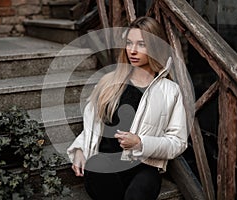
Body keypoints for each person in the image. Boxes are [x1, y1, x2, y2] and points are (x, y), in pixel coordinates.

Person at [67, 16, 188, 200]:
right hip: (105, 164)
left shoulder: (170, 91)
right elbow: (92, 124)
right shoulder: (109, 82)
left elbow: (178, 142)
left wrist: (140, 143)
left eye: (141, 44)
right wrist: (79, 150)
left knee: (137, 194)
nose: (132, 50)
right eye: (129, 43)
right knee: (97, 165)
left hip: (144, 166)